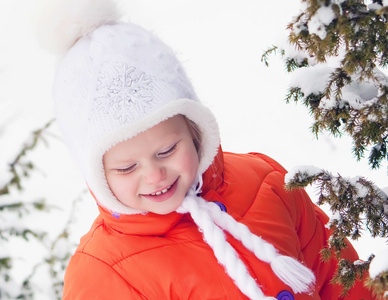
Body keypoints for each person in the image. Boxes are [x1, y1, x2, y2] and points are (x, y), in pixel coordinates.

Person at [39, 0, 375, 299]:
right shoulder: (103, 273)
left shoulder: (264, 181)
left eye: (167, 150)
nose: (155, 175)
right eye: (127, 168)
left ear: (195, 130)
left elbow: (338, 276)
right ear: (97, 174)